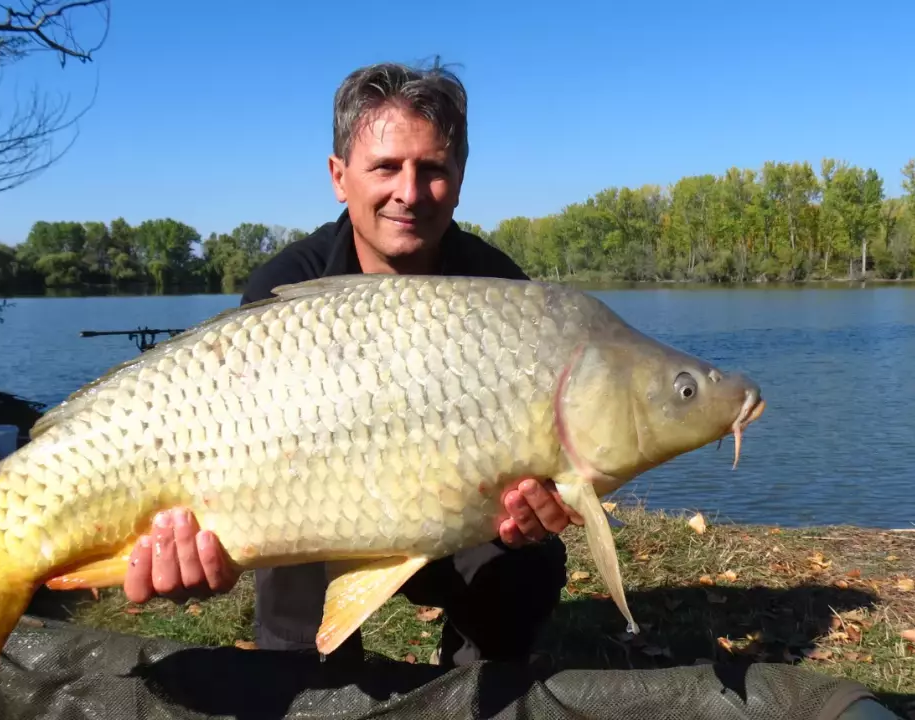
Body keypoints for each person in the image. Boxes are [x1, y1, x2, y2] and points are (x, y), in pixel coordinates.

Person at [123, 60, 581, 668]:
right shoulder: (284, 286)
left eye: (433, 169)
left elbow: (542, 453)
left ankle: (476, 681)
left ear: (460, 178)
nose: (409, 193)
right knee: (290, 560)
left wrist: (539, 502)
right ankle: (307, 678)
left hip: (456, 514)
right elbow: (237, 448)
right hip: (316, 509)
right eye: (385, 167)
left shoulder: (500, 290)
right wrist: (203, 539)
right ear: (339, 177)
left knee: (529, 565)